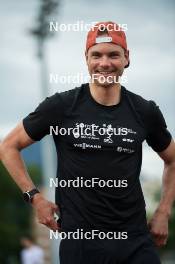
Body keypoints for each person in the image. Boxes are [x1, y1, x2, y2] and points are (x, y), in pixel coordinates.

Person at [0, 21, 175, 264]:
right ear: (86, 58)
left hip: (135, 240)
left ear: (126, 58)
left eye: (114, 54)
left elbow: (172, 159)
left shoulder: (144, 111)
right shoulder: (61, 107)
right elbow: (8, 146)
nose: (105, 63)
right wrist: (35, 198)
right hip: (81, 242)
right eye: (97, 55)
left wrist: (163, 211)